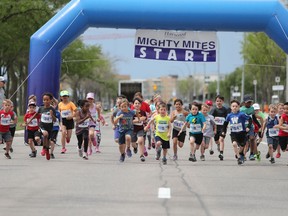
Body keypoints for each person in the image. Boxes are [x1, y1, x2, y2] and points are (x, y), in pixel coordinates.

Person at [221, 100, 252, 165]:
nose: (234, 107)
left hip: (242, 133)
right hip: (234, 133)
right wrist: (223, 131)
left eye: (236, 106)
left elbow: (250, 119)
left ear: (239, 107)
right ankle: (239, 158)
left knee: (242, 146)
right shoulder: (229, 115)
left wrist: (248, 127)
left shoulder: (242, 114)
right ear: (231, 107)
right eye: (233, 106)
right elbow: (225, 124)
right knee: (234, 144)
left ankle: (240, 153)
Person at [27, 93, 56, 160]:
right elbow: (36, 115)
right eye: (44, 100)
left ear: (51, 100)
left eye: (47, 100)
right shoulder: (41, 108)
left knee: (47, 139)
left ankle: (46, 150)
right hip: (42, 125)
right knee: (44, 135)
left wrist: (52, 115)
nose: (45, 101)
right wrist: (29, 120)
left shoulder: (52, 109)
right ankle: (44, 148)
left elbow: (54, 120)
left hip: (49, 127)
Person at [240, 95, 262, 161]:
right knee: (244, 142)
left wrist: (259, 126)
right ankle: (242, 155)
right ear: (244, 102)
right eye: (248, 102)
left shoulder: (252, 108)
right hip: (243, 127)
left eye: (250, 102)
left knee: (252, 139)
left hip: (250, 126)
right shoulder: (241, 109)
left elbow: (254, 118)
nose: (249, 103)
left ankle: (251, 154)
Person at [210, 95, 229, 161]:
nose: (219, 102)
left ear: (223, 102)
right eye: (217, 101)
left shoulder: (225, 110)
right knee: (217, 141)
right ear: (215, 102)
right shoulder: (213, 109)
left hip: (223, 128)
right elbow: (210, 118)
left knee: (221, 139)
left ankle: (221, 153)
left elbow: (228, 118)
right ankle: (218, 145)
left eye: (220, 101)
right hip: (215, 128)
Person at [131, 97, 147, 162]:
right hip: (132, 130)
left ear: (141, 105)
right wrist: (138, 120)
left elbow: (144, 118)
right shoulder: (131, 112)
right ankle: (135, 147)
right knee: (133, 143)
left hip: (140, 129)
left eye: (138, 103)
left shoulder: (143, 112)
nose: (137, 104)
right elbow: (130, 121)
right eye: (136, 103)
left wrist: (137, 120)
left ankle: (141, 155)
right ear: (133, 105)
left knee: (140, 140)